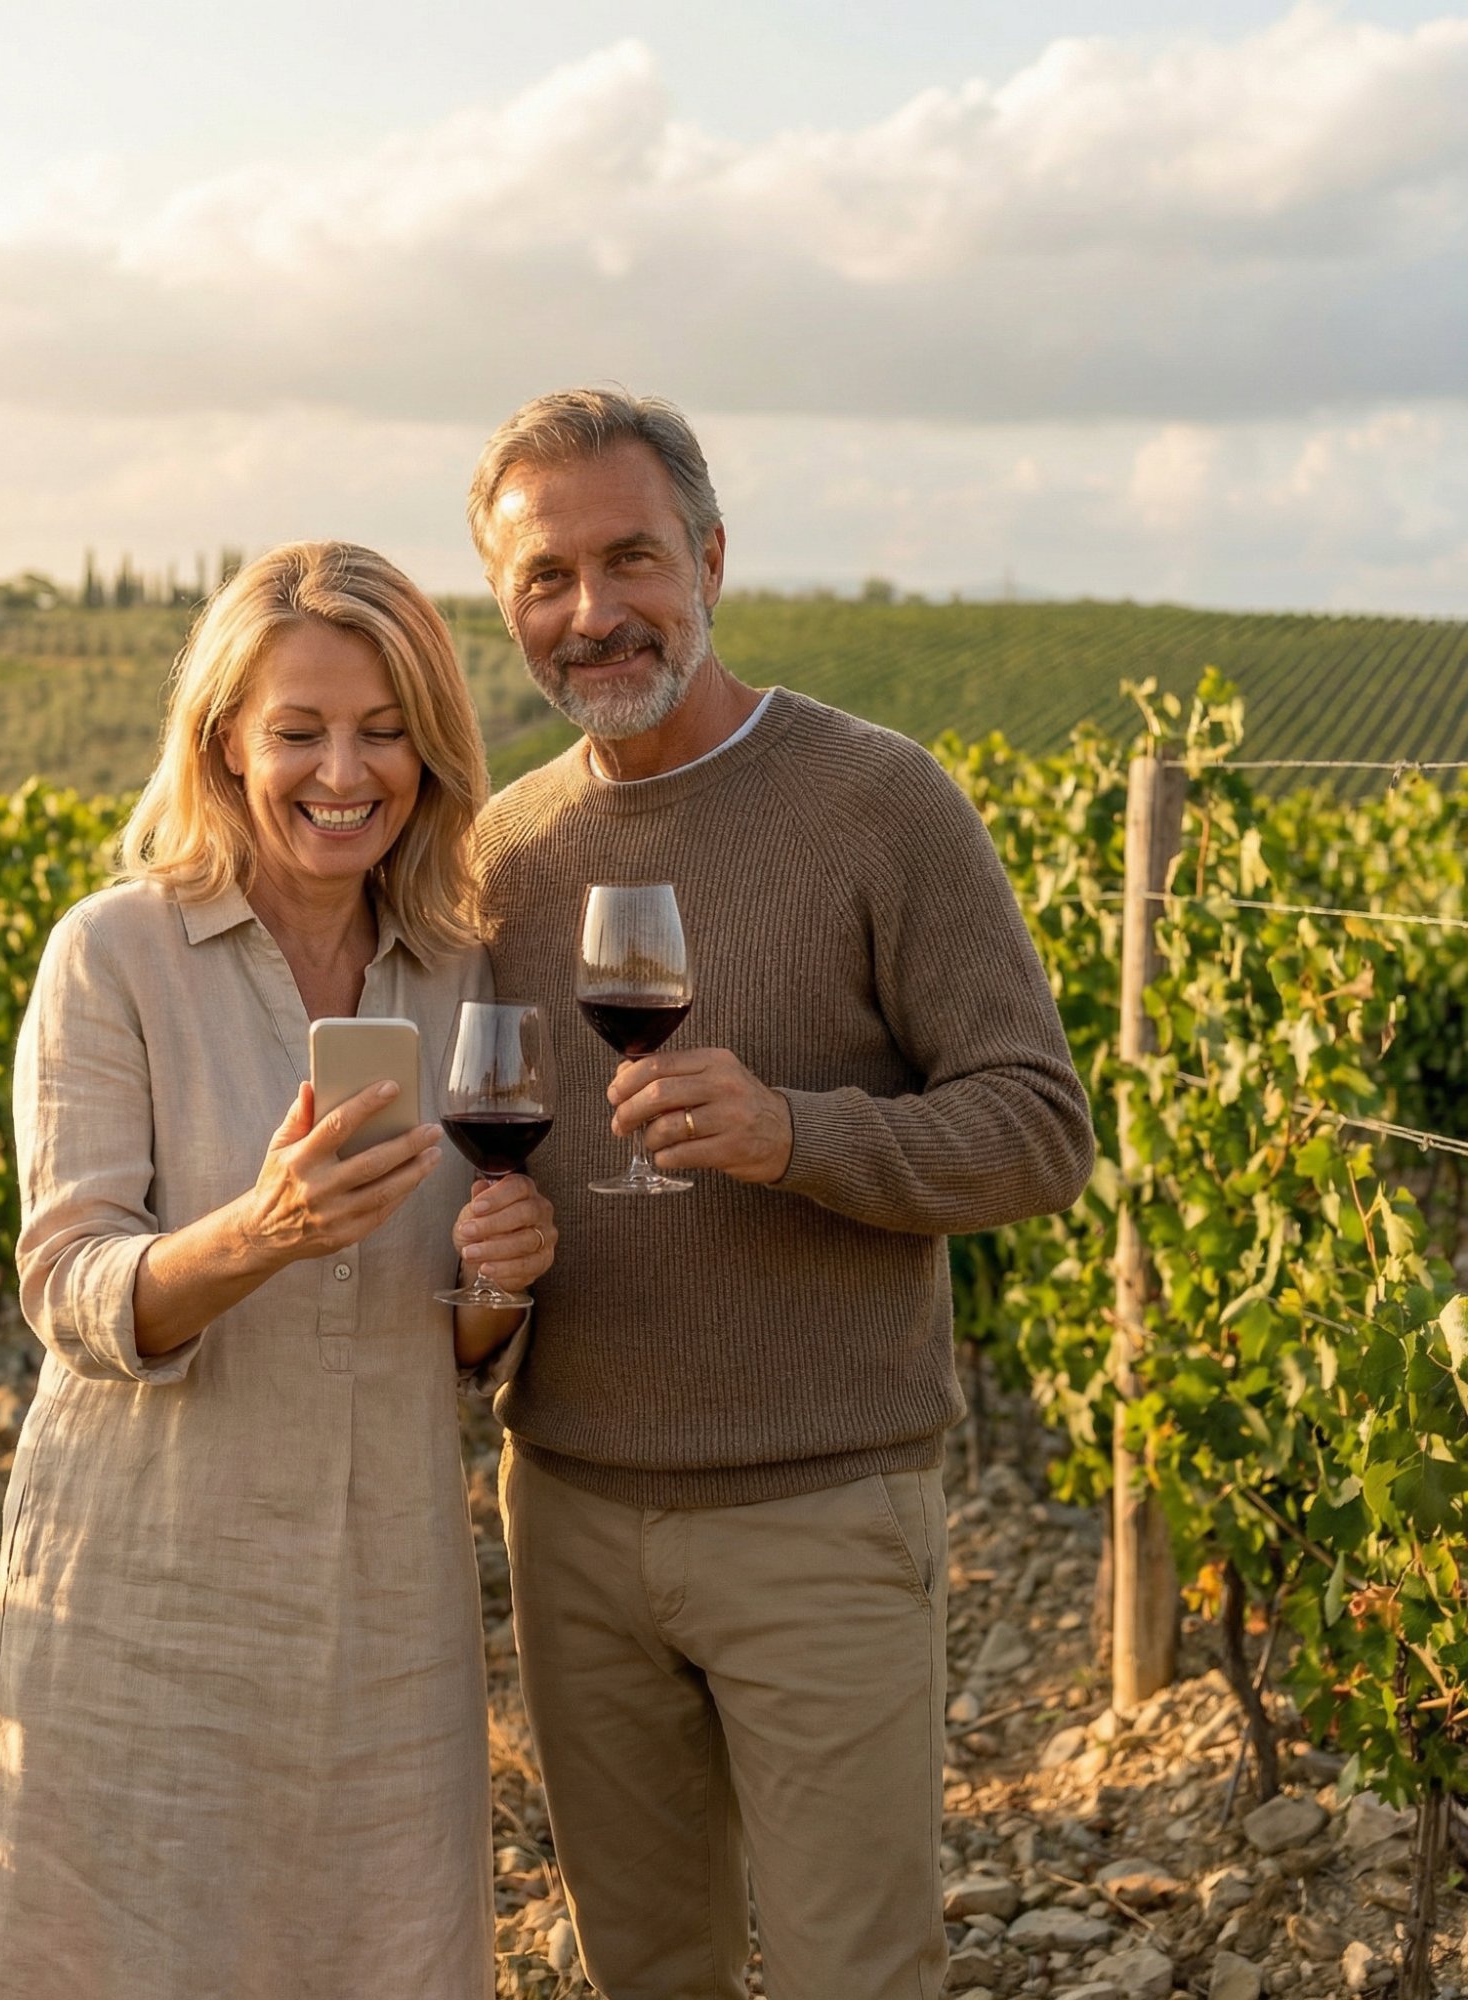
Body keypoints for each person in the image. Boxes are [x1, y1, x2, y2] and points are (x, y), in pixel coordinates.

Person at [467, 391, 1095, 2000]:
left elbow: (1039, 1132)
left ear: (712, 560)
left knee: (854, 1975)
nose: (593, 611)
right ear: (505, 602)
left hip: (820, 1516)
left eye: (632, 558)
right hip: (570, 1519)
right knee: (645, 1970)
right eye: (547, 577)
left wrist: (795, 1135)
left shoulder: (882, 801)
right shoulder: (503, 854)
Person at [0, 541, 557, 2000]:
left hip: (382, 1594)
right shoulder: (115, 954)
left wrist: (501, 1280)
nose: (345, 772)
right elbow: (71, 1287)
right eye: (299, 731)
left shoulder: (460, 973)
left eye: (384, 729)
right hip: (152, 1583)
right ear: (225, 740)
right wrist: (258, 1231)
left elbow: (455, 1345)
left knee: (377, 1952)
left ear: (431, 748)